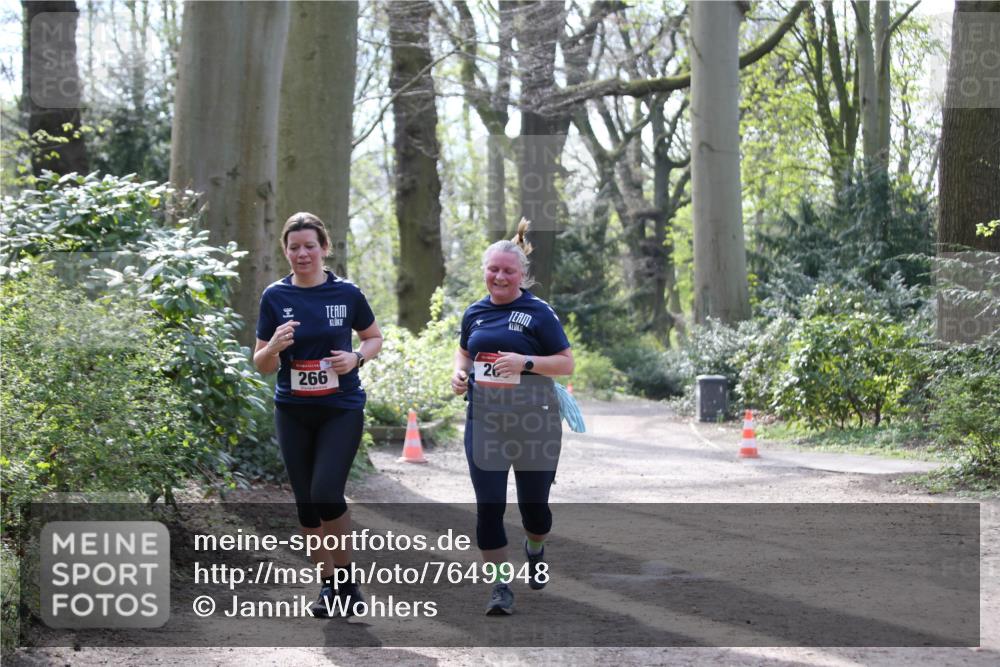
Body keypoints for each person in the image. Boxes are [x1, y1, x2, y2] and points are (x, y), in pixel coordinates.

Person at [253, 212, 383, 618]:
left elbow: (374, 337)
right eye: (294, 247)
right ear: (286, 252)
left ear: (324, 248)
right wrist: (273, 345)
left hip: (340, 408)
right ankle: (328, 586)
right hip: (292, 411)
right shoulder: (274, 297)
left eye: (310, 246)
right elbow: (261, 364)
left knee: (326, 494)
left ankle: (345, 579)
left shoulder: (346, 294)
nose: (302, 253)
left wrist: (357, 357)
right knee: (307, 507)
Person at [451, 220, 574, 615]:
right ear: (484, 271)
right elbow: (465, 352)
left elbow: (566, 364)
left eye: (508, 270)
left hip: (535, 423)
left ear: (522, 275)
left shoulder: (539, 313)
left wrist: (527, 362)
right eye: (493, 269)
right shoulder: (474, 313)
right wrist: (458, 373)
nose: (499, 276)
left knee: (534, 511)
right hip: (485, 420)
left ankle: (535, 548)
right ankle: (500, 585)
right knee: (488, 506)